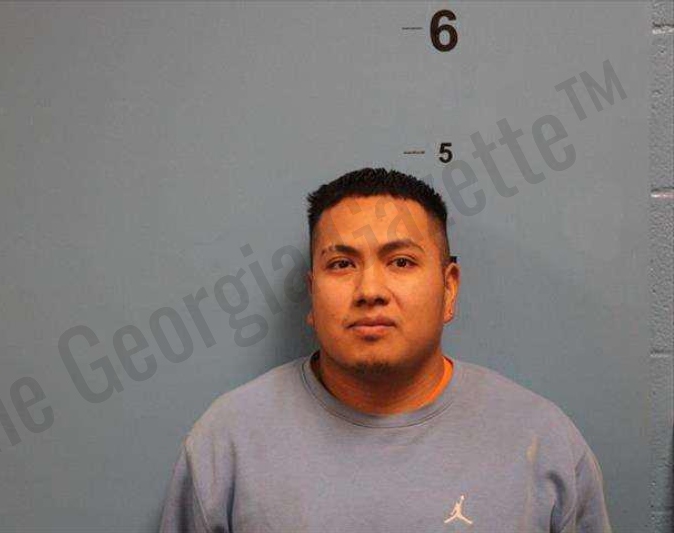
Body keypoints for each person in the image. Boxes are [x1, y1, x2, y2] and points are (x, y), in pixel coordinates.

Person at [158, 168, 612, 532]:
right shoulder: (228, 442)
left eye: (401, 262)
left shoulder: (543, 443)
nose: (370, 290)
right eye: (342, 264)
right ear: (312, 294)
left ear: (449, 289)